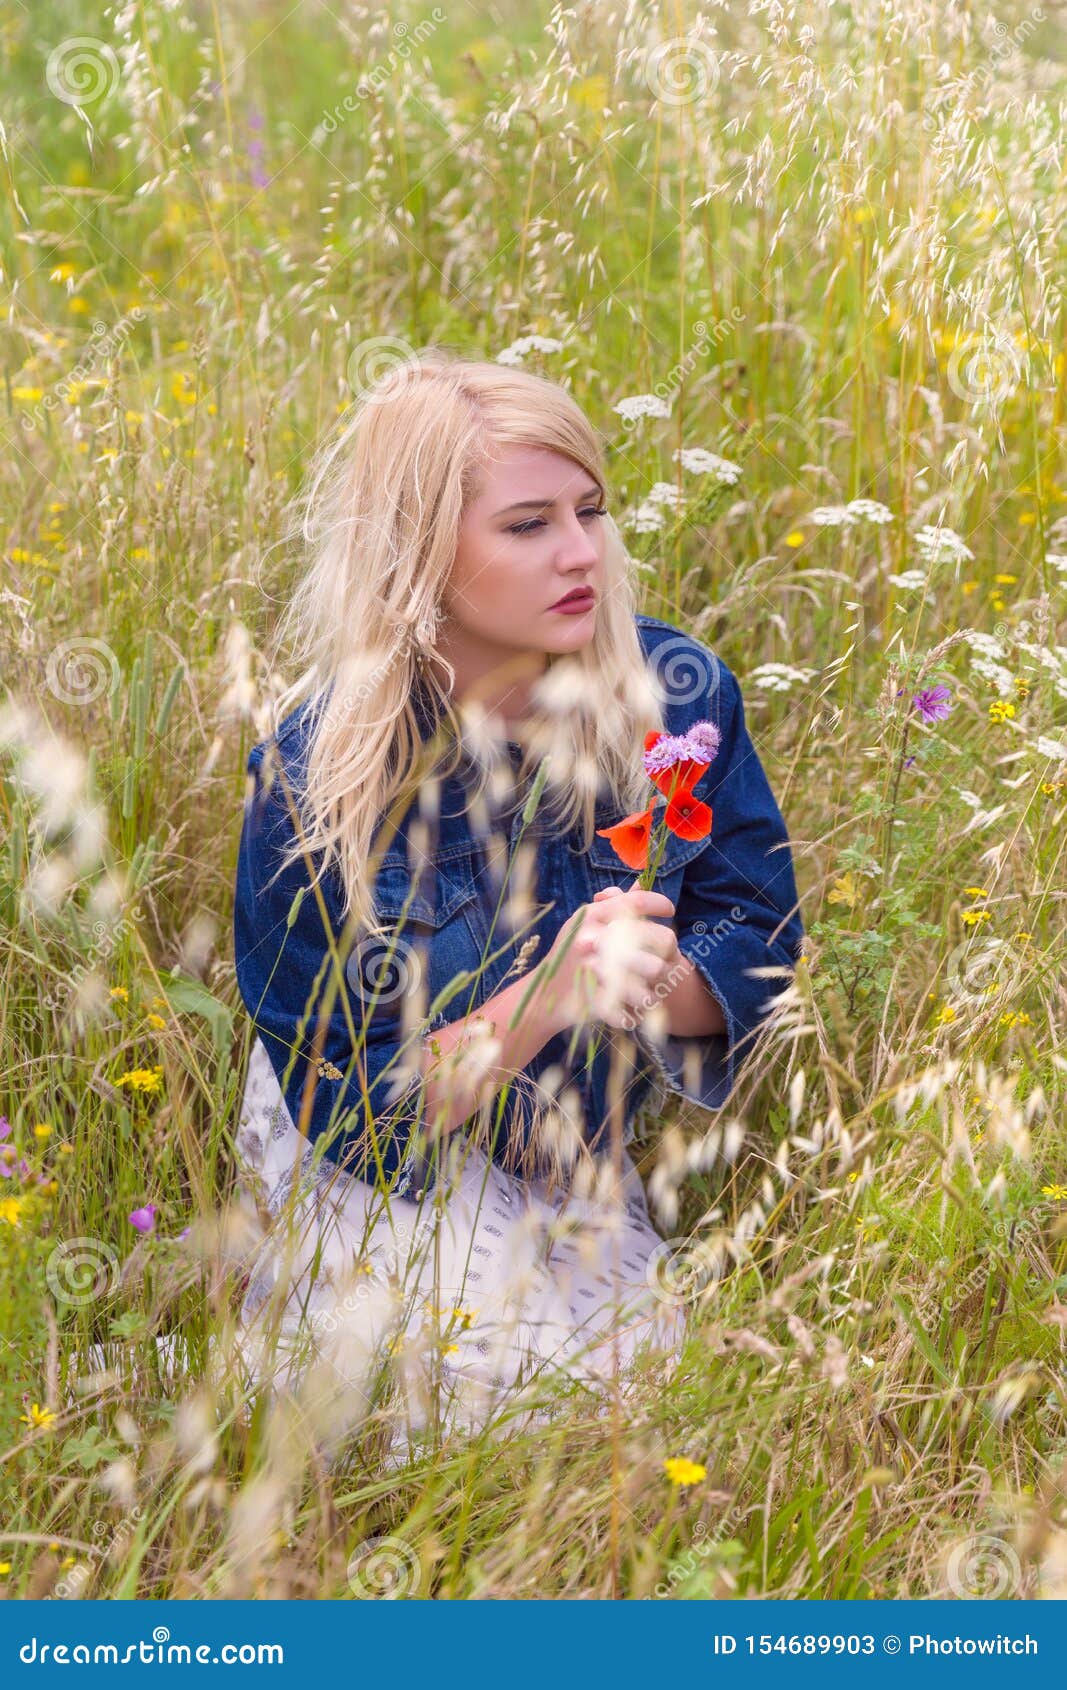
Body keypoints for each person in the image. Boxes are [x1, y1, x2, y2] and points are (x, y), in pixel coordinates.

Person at [230, 350, 805, 1463]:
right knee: (463, 1405)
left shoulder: (672, 695)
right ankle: (278, 1312)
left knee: (645, 1395)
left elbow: (760, 939)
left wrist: (652, 984)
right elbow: (354, 1114)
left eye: (589, 509)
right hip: (377, 1139)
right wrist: (546, 998)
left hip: (560, 1140)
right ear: (420, 553)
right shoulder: (317, 775)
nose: (582, 551)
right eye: (528, 523)